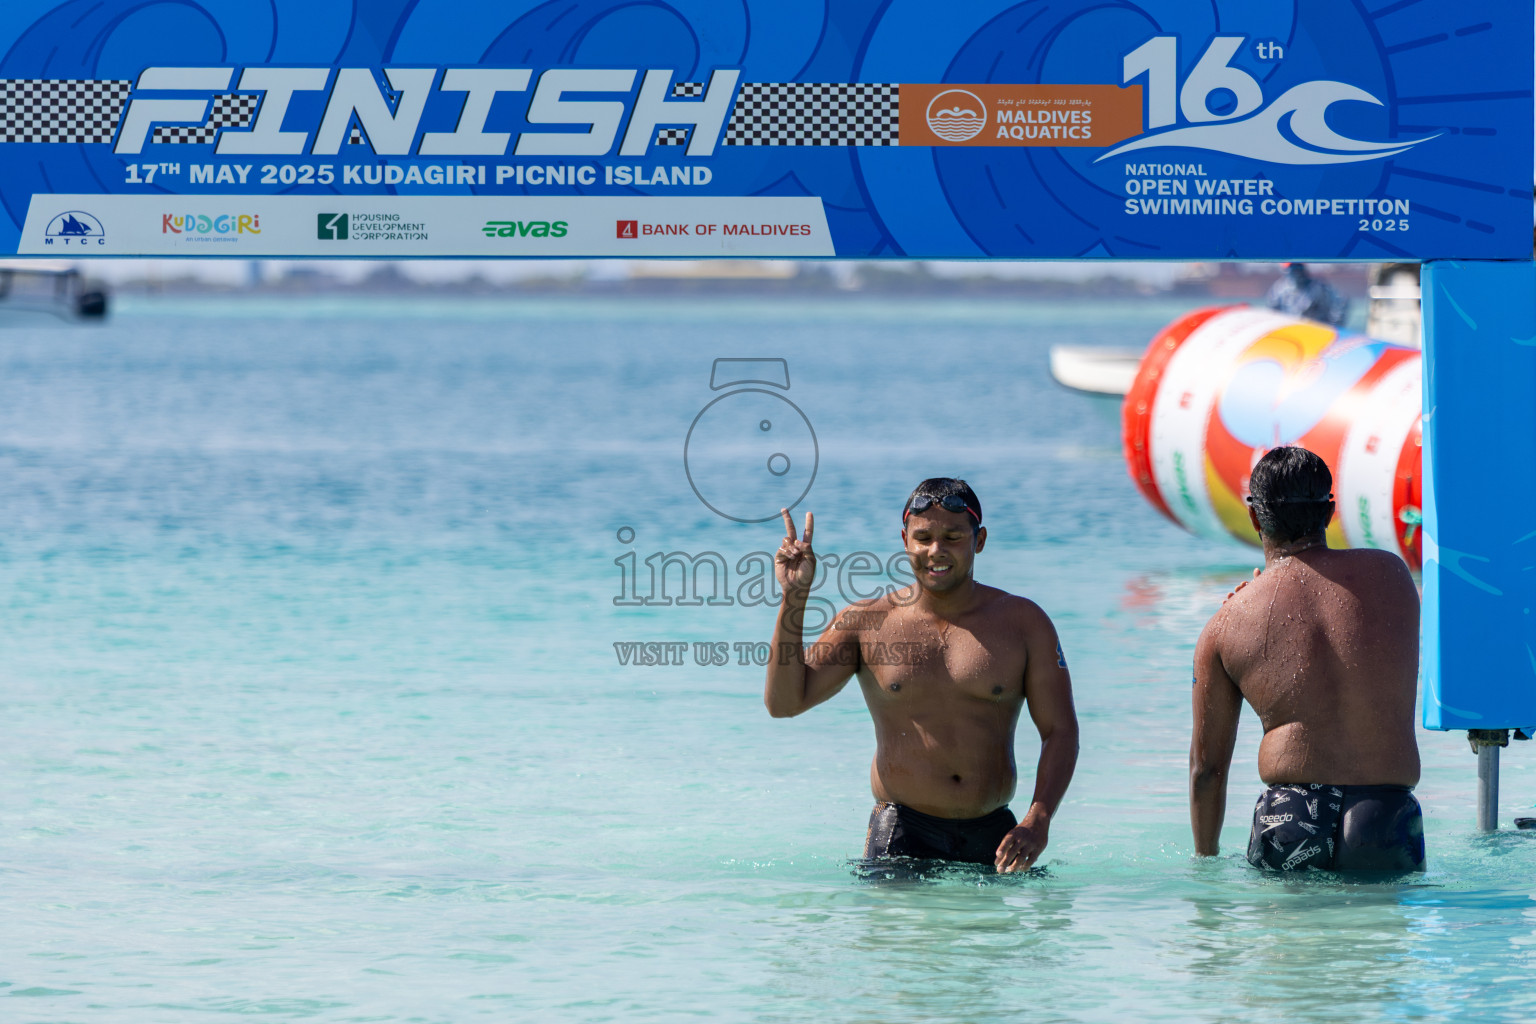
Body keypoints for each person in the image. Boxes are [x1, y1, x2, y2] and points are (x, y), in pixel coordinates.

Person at [764, 478, 1078, 873]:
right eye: (924, 537)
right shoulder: (868, 622)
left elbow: (1060, 730)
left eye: (952, 536)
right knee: (901, 936)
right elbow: (783, 703)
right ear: (905, 539)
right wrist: (794, 598)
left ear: (978, 540)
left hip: (996, 832)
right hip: (901, 833)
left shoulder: (1024, 623)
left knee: (999, 937)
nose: (936, 551)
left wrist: (1039, 819)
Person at [1189, 446, 1424, 871]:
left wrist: (1204, 864)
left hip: (1290, 817)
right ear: (1329, 512)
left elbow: (1207, 770)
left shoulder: (1227, 623)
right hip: (1385, 817)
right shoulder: (1392, 576)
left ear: (1256, 518)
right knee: (1381, 936)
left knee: (1294, 936)